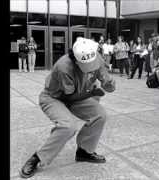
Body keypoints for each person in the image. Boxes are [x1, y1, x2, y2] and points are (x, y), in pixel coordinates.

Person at [19, 38, 116, 178]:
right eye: (86, 65)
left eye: (92, 64)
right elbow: (70, 98)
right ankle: (38, 158)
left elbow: (107, 82)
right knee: (68, 126)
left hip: (78, 95)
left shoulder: (96, 57)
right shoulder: (63, 66)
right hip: (54, 97)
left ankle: (84, 151)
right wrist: (92, 93)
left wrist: (109, 84)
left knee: (100, 115)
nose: (91, 67)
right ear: (76, 60)